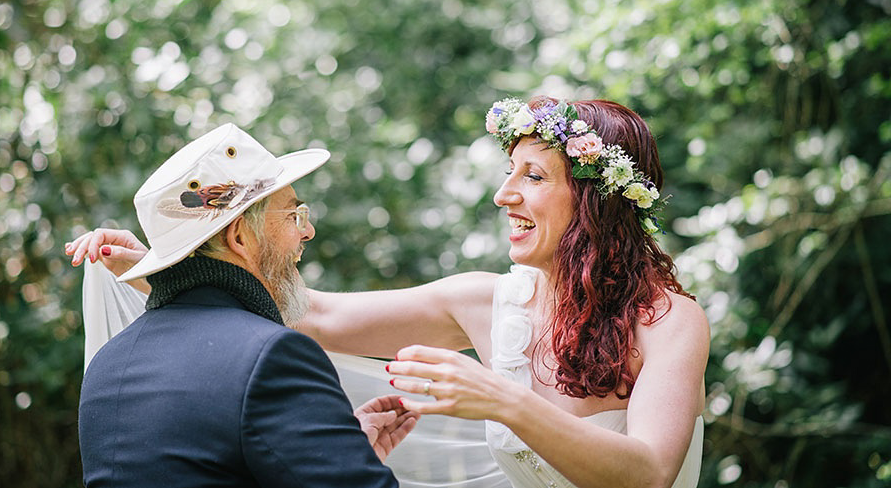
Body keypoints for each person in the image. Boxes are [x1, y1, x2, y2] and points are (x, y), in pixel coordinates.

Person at [69, 96, 709, 488]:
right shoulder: (485, 303)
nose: (503, 194)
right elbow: (310, 313)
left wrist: (502, 400)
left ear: (594, 202)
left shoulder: (670, 321)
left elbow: (648, 473)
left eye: (532, 175)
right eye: (506, 172)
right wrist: (168, 260)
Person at [76, 123, 417, 488]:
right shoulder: (273, 356)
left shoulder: (106, 366)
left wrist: (337, 455)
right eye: (293, 215)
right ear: (240, 236)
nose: (308, 231)